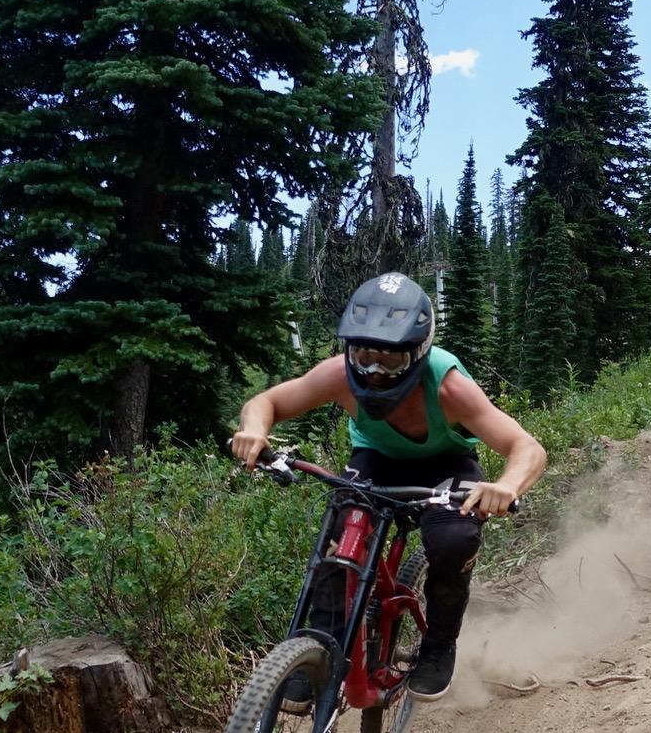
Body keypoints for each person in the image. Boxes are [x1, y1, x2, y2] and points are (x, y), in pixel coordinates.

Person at [231, 272, 547, 700]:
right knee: (340, 538)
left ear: (418, 354)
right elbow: (266, 402)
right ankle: (320, 649)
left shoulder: (450, 387)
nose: (374, 371)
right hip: (376, 462)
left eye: (391, 360)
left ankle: (438, 647)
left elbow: (526, 447)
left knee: (453, 539)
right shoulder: (338, 376)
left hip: (446, 466)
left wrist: (507, 486)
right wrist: (253, 430)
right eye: (363, 354)